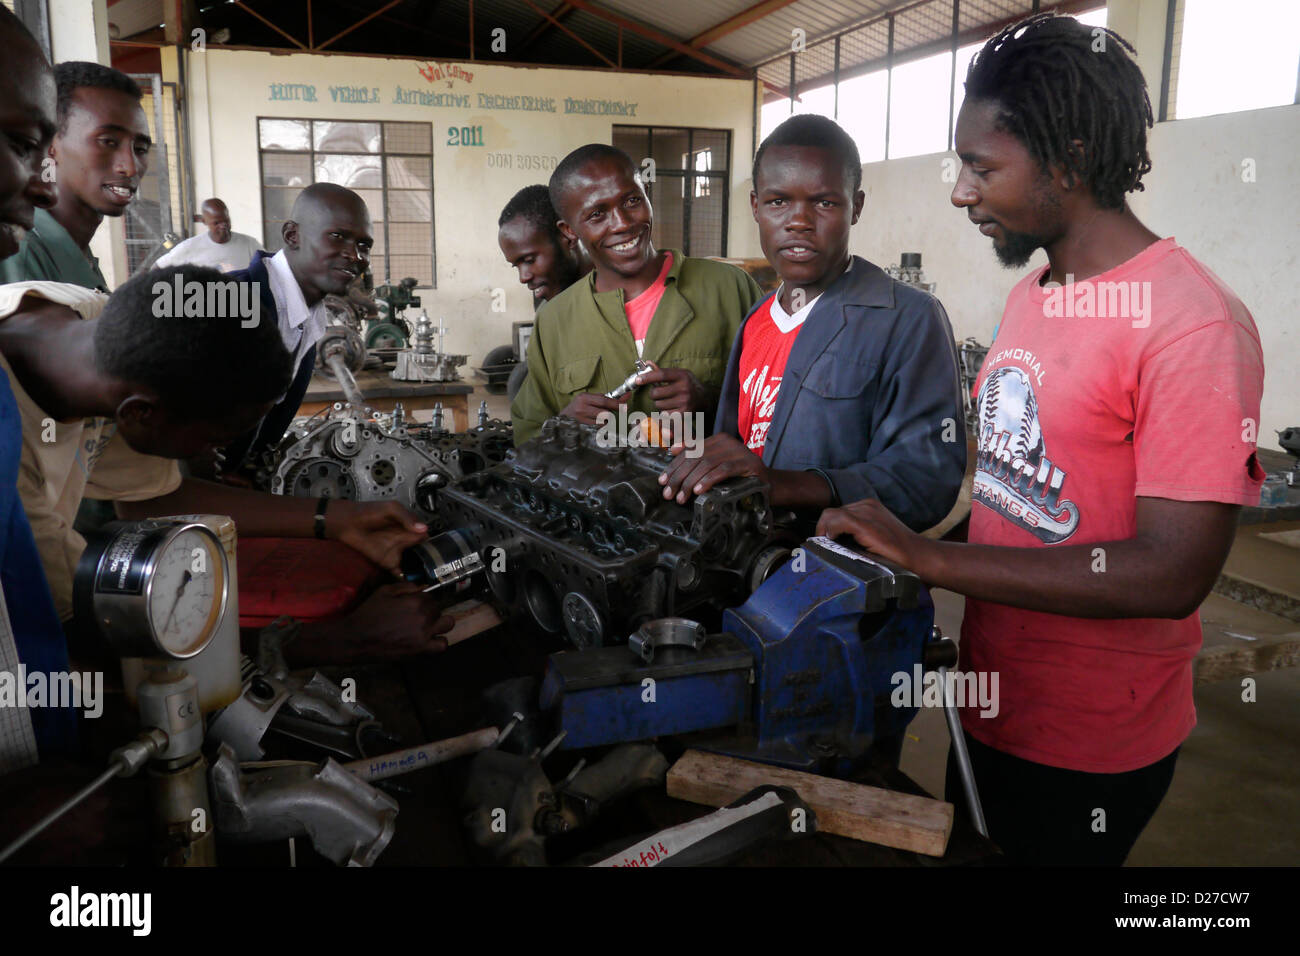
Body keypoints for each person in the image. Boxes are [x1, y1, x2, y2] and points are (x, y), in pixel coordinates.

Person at [816, 13, 1266, 865]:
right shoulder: (1038, 292)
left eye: (982, 167)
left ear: (1068, 156)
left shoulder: (1190, 322)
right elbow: (1021, 492)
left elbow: (1174, 571)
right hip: (995, 698)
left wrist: (931, 559)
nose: (960, 192)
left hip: (1091, 739)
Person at [0, 264, 452, 664]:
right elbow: (86, 630)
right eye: (212, 438)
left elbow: (155, 498)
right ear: (140, 414)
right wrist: (336, 640)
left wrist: (337, 519)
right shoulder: (10, 471)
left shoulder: (102, 331)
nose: (214, 454)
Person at [658, 115, 965, 534]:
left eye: (824, 202)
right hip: (742, 561)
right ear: (755, 207)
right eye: (778, 201)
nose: (799, 221)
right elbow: (738, 441)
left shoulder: (907, 318)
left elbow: (926, 480)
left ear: (855, 207)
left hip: (836, 576)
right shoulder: (757, 321)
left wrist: (784, 486)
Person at [510, 144, 761, 444]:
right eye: (597, 214)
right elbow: (526, 440)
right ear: (569, 230)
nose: (623, 223)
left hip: (710, 489)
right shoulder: (553, 322)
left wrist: (710, 401)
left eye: (631, 200)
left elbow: (779, 409)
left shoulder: (730, 289)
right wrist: (563, 427)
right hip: (599, 491)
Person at [219, 182, 371, 472]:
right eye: (338, 237)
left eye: (364, 245)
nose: (355, 256)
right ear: (292, 235)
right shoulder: (231, 302)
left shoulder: (311, 316)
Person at [0, 61, 150, 290]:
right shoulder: (23, 251)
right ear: (51, 144)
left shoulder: (75, 251)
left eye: (140, 149)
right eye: (107, 142)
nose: (130, 168)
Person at [497, 183, 590, 305]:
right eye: (516, 266)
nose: (523, 278)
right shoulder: (547, 312)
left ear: (567, 235)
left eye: (529, 260)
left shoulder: (616, 293)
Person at [155, 197, 263, 272]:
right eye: (216, 223)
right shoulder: (189, 247)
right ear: (204, 221)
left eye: (226, 221)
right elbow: (158, 267)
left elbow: (270, 268)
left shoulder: (249, 244)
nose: (223, 226)